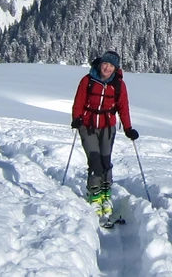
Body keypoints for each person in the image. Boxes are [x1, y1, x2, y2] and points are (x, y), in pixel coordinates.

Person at [71, 50, 139, 219]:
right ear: (100, 63)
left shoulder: (118, 84)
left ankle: (105, 195)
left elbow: (123, 107)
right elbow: (78, 101)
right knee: (95, 161)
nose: (107, 68)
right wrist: (77, 119)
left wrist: (128, 128)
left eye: (111, 65)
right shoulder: (87, 80)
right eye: (105, 64)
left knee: (105, 161)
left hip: (108, 126)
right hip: (87, 125)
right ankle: (94, 196)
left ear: (115, 68)